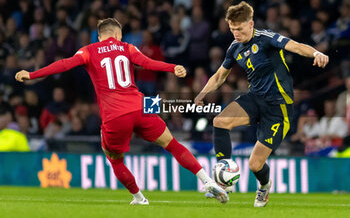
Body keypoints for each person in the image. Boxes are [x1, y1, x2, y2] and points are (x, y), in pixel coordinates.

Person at [15, 18, 228, 205]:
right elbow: (147, 63)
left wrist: (32, 75)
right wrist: (172, 67)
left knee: (115, 158)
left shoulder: (88, 50)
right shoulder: (127, 47)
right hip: (140, 107)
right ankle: (207, 181)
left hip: (115, 115)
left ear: (100, 36)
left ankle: (139, 198)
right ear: (118, 34)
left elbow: (63, 64)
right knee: (171, 144)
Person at [194, 2, 329, 207]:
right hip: (255, 98)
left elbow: (295, 46)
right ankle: (224, 182)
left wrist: (316, 53)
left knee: (255, 164)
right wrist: (202, 94)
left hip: (279, 107)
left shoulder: (267, 38)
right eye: (232, 29)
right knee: (220, 122)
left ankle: (264, 187)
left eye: (239, 29)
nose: (235, 34)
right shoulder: (234, 47)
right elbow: (220, 75)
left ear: (251, 24)